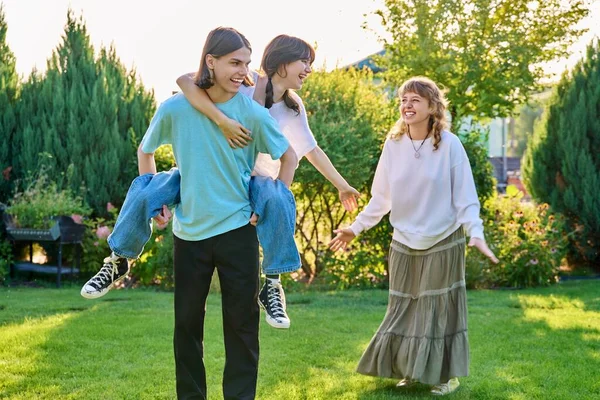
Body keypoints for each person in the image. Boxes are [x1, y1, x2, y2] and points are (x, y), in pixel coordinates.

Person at [92, 27, 296, 399]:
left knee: (242, 328)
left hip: (238, 233)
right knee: (186, 327)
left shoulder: (251, 112)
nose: (242, 71)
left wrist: (267, 205)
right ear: (211, 61)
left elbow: (289, 157)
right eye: (235, 62)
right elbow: (145, 151)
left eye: (246, 63)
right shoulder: (175, 108)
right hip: (189, 235)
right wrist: (156, 201)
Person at [175, 34, 360, 329]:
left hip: (259, 182)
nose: (309, 69)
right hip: (223, 176)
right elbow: (185, 82)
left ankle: (272, 283)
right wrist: (222, 121)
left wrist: (340, 185)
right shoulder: (245, 82)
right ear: (282, 62)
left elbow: (308, 150)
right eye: (304, 62)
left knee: (278, 198)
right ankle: (120, 256)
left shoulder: (292, 106)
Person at [329, 77, 499, 396]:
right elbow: (381, 198)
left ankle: (445, 376)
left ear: (432, 106)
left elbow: (465, 198)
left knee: (437, 309)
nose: (407, 105)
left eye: (415, 100)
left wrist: (474, 232)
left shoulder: (450, 145)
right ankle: (411, 370)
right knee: (404, 309)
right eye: (403, 100)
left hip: (443, 238)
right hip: (404, 240)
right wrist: (355, 227)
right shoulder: (393, 145)